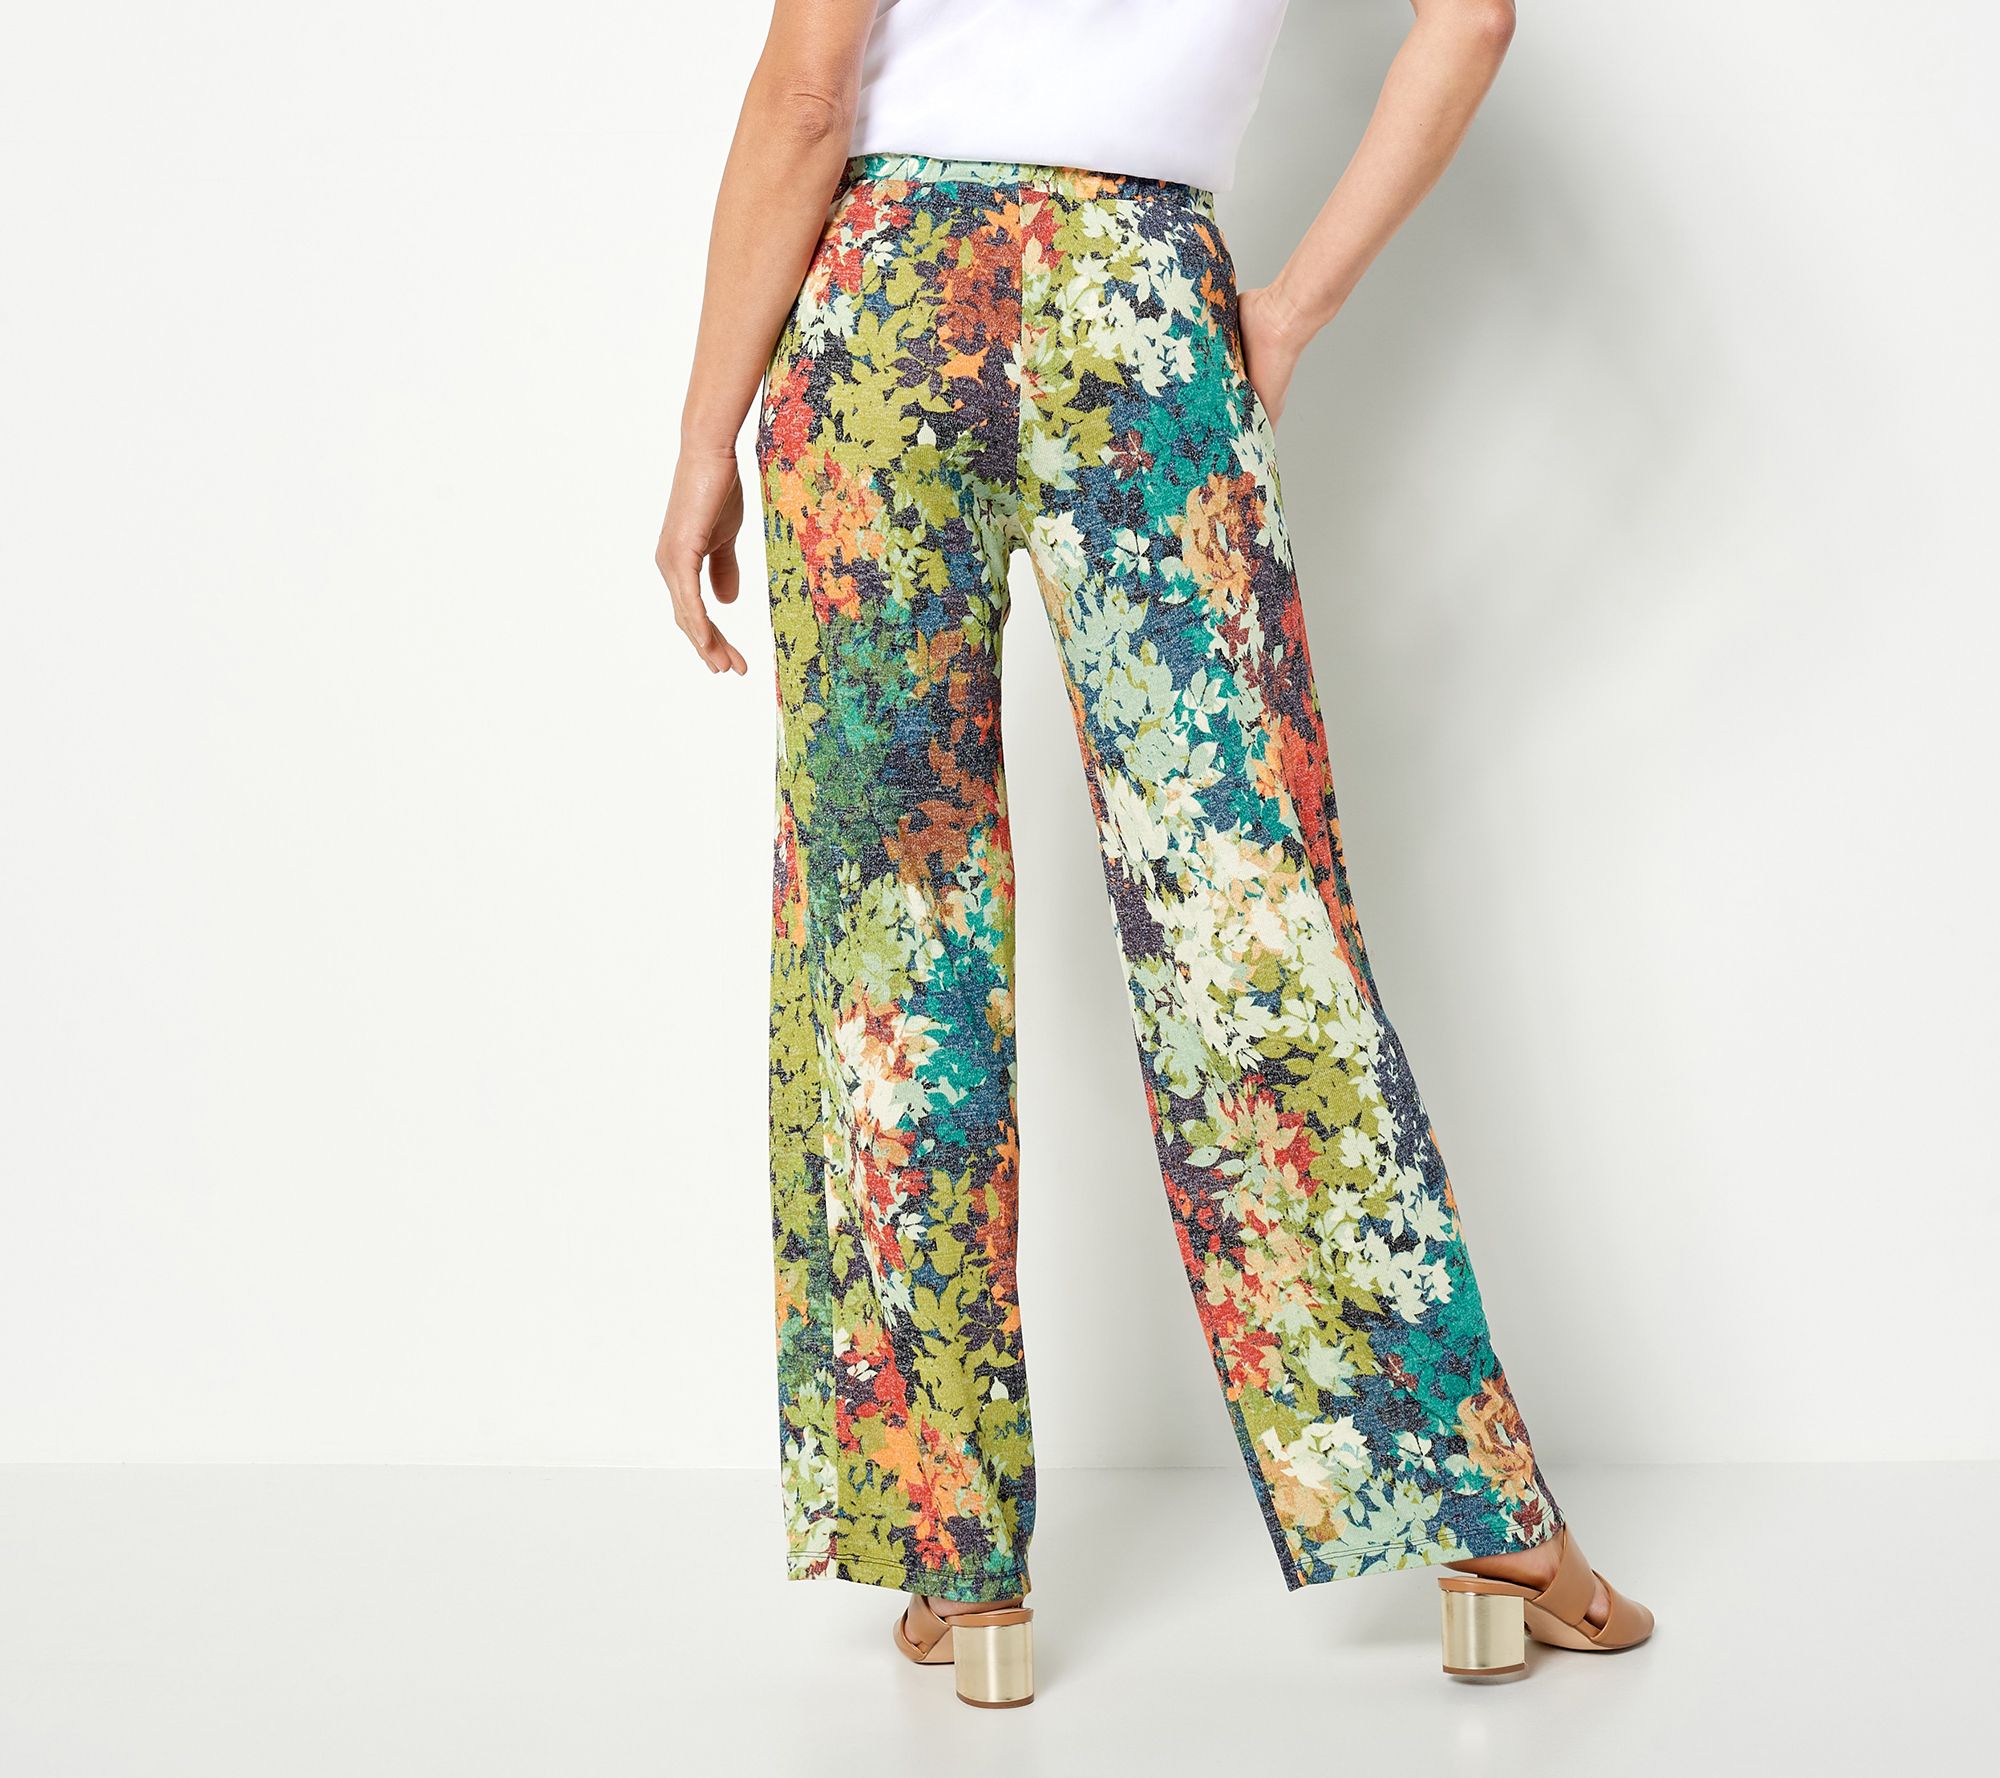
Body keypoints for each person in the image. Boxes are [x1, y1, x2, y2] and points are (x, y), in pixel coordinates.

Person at [655, 0, 1654, 1708]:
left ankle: (960, 1560)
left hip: (883, 309)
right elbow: (1472, 19)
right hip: (1144, 305)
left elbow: (811, 93)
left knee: (890, 940)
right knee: (1249, 913)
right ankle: (1478, 1518)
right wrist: (1289, 311)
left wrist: (702, 436)